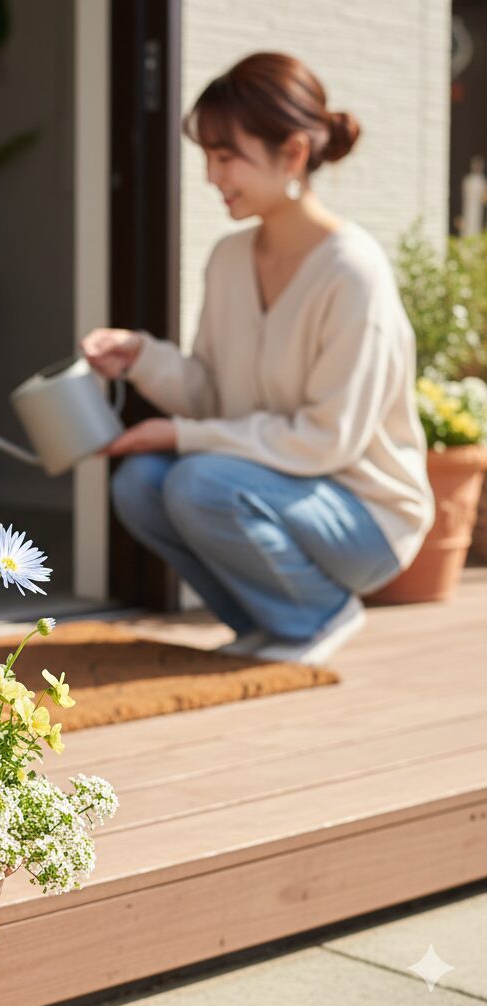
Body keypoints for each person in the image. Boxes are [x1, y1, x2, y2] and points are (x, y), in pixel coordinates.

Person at [81, 51, 434, 665]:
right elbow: (215, 393)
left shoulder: (353, 272)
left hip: (364, 511)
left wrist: (184, 436)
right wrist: (140, 357)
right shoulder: (228, 260)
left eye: (227, 157)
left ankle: (319, 615)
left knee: (196, 479)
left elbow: (327, 441)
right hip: (274, 487)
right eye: (209, 159)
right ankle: (264, 624)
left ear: (293, 153)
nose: (214, 177)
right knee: (140, 484)